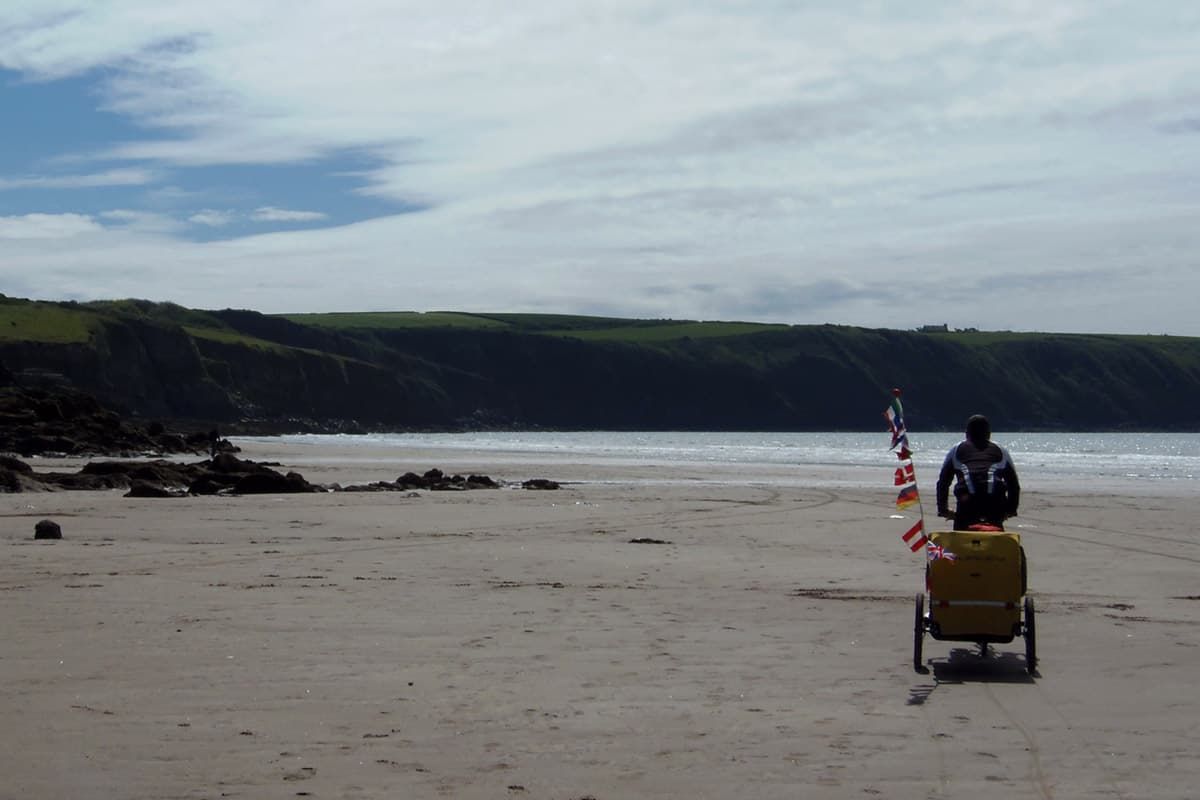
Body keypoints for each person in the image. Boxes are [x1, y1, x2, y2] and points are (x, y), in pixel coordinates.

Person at [935, 414, 1020, 531]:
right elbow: (1013, 484)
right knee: (997, 539)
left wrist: (943, 509)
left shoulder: (956, 450)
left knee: (961, 540)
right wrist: (1011, 510)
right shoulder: (1001, 451)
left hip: (967, 502)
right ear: (989, 434)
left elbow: (943, 482)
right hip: (995, 503)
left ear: (966, 433)